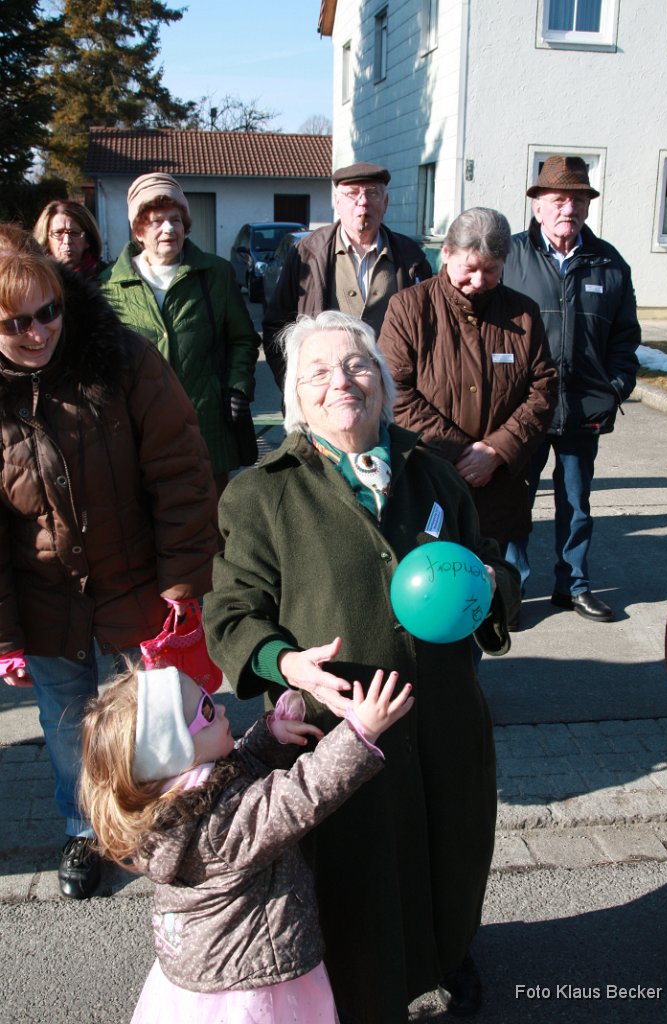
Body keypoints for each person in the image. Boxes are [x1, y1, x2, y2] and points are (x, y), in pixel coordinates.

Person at [203, 310, 521, 1024]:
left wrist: (493, 584)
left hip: (443, 711)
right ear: (295, 397)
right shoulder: (262, 493)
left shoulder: (435, 476)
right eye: (317, 372)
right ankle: (362, 988)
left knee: (452, 842)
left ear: (382, 383)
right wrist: (286, 664)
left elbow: (490, 568)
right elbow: (230, 613)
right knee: (359, 866)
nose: (341, 381)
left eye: (356, 365)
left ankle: (447, 954)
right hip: (336, 727)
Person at [0, 231, 219, 900]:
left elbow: (181, 470)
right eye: (15, 323)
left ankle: (169, 818)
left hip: (135, 585)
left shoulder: (122, 357)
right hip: (43, 602)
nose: (39, 332)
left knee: (154, 714)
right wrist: (5, 636)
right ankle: (85, 828)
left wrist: (182, 581)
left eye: (48, 312)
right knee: (67, 727)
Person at [79, 663, 414, 1024]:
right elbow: (297, 797)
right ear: (179, 751)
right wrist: (358, 733)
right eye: (207, 711)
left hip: (207, 968)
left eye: (208, 697)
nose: (221, 708)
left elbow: (237, 766)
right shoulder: (218, 827)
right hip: (251, 982)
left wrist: (271, 737)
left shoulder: (172, 799)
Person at [379, 207, 557, 574]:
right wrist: (461, 453)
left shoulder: (523, 313)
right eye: (470, 268)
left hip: (499, 483)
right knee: (436, 583)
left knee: (496, 587)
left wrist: (497, 450)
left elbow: (543, 389)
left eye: (491, 270)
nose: (478, 281)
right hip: (430, 479)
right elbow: (395, 391)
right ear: (446, 253)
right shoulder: (408, 309)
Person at [503, 156, 640, 622]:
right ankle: (512, 589)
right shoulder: (511, 257)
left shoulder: (609, 263)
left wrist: (616, 386)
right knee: (516, 504)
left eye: (579, 200)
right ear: (537, 206)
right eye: (559, 200)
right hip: (522, 408)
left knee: (576, 504)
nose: (570, 209)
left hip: (584, 408)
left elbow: (625, 338)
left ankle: (573, 586)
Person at [100, 172, 261, 495]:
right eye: (157, 221)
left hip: (208, 430)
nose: (169, 229)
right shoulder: (109, 285)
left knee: (211, 518)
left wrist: (238, 386)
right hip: (141, 433)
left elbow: (243, 339)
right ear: (138, 230)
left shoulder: (215, 274)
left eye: (176, 220)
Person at [262, 161, 432, 389]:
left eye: (372, 193)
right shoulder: (306, 253)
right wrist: (297, 388)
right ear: (337, 202)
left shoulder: (412, 258)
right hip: (324, 394)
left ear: (385, 203)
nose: (363, 202)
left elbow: (429, 333)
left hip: (392, 397)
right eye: (352, 193)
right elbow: (277, 327)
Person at [33, 199, 107, 279]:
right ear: (47, 240)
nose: (67, 241)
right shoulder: (34, 280)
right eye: (58, 233)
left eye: (74, 233)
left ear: (88, 240)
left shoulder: (107, 279)